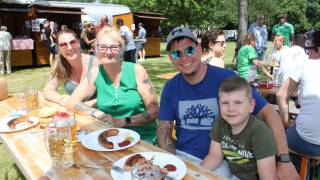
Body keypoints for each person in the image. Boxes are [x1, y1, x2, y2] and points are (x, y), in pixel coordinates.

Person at [157, 26, 299, 180]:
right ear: (171, 57)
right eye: (177, 53)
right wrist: (171, 166)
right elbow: (164, 130)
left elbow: (270, 114)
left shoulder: (227, 79)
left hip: (223, 163)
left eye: (189, 50)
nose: (184, 58)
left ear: (198, 49)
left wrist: (284, 161)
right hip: (183, 157)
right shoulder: (171, 87)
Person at [65, 27, 159, 144]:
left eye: (114, 47)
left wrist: (124, 121)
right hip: (111, 140)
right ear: (97, 50)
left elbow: (155, 110)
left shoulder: (136, 70)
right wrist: (95, 112)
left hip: (143, 140)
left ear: (121, 49)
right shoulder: (95, 73)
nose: (108, 52)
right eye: (103, 47)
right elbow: (70, 103)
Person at [201, 76, 277, 180]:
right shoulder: (221, 121)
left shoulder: (260, 132)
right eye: (225, 103)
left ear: (251, 105)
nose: (231, 109)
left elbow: (268, 177)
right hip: (232, 173)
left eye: (238, 102)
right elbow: (215, 156)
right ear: (219, 104)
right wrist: (196, 174)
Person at [276, 30, 320, 173]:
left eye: (309, 49)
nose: (308, 54)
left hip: (305, 140)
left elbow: (281, 94)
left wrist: (286, 122)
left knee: (283, 139)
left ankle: (296, 173)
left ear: (317, 50)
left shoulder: (306, 64)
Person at [43, 29, 97, 106]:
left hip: (102, 113)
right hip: (77, 113)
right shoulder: (60, 66)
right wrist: (61, 99)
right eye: (63, 44)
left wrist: (82, 105)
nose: (69, 47)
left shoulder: (96, 63)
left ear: (78, 43)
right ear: (58, 47)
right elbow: (48, 90)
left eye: (72, 42)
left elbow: (113, 95)